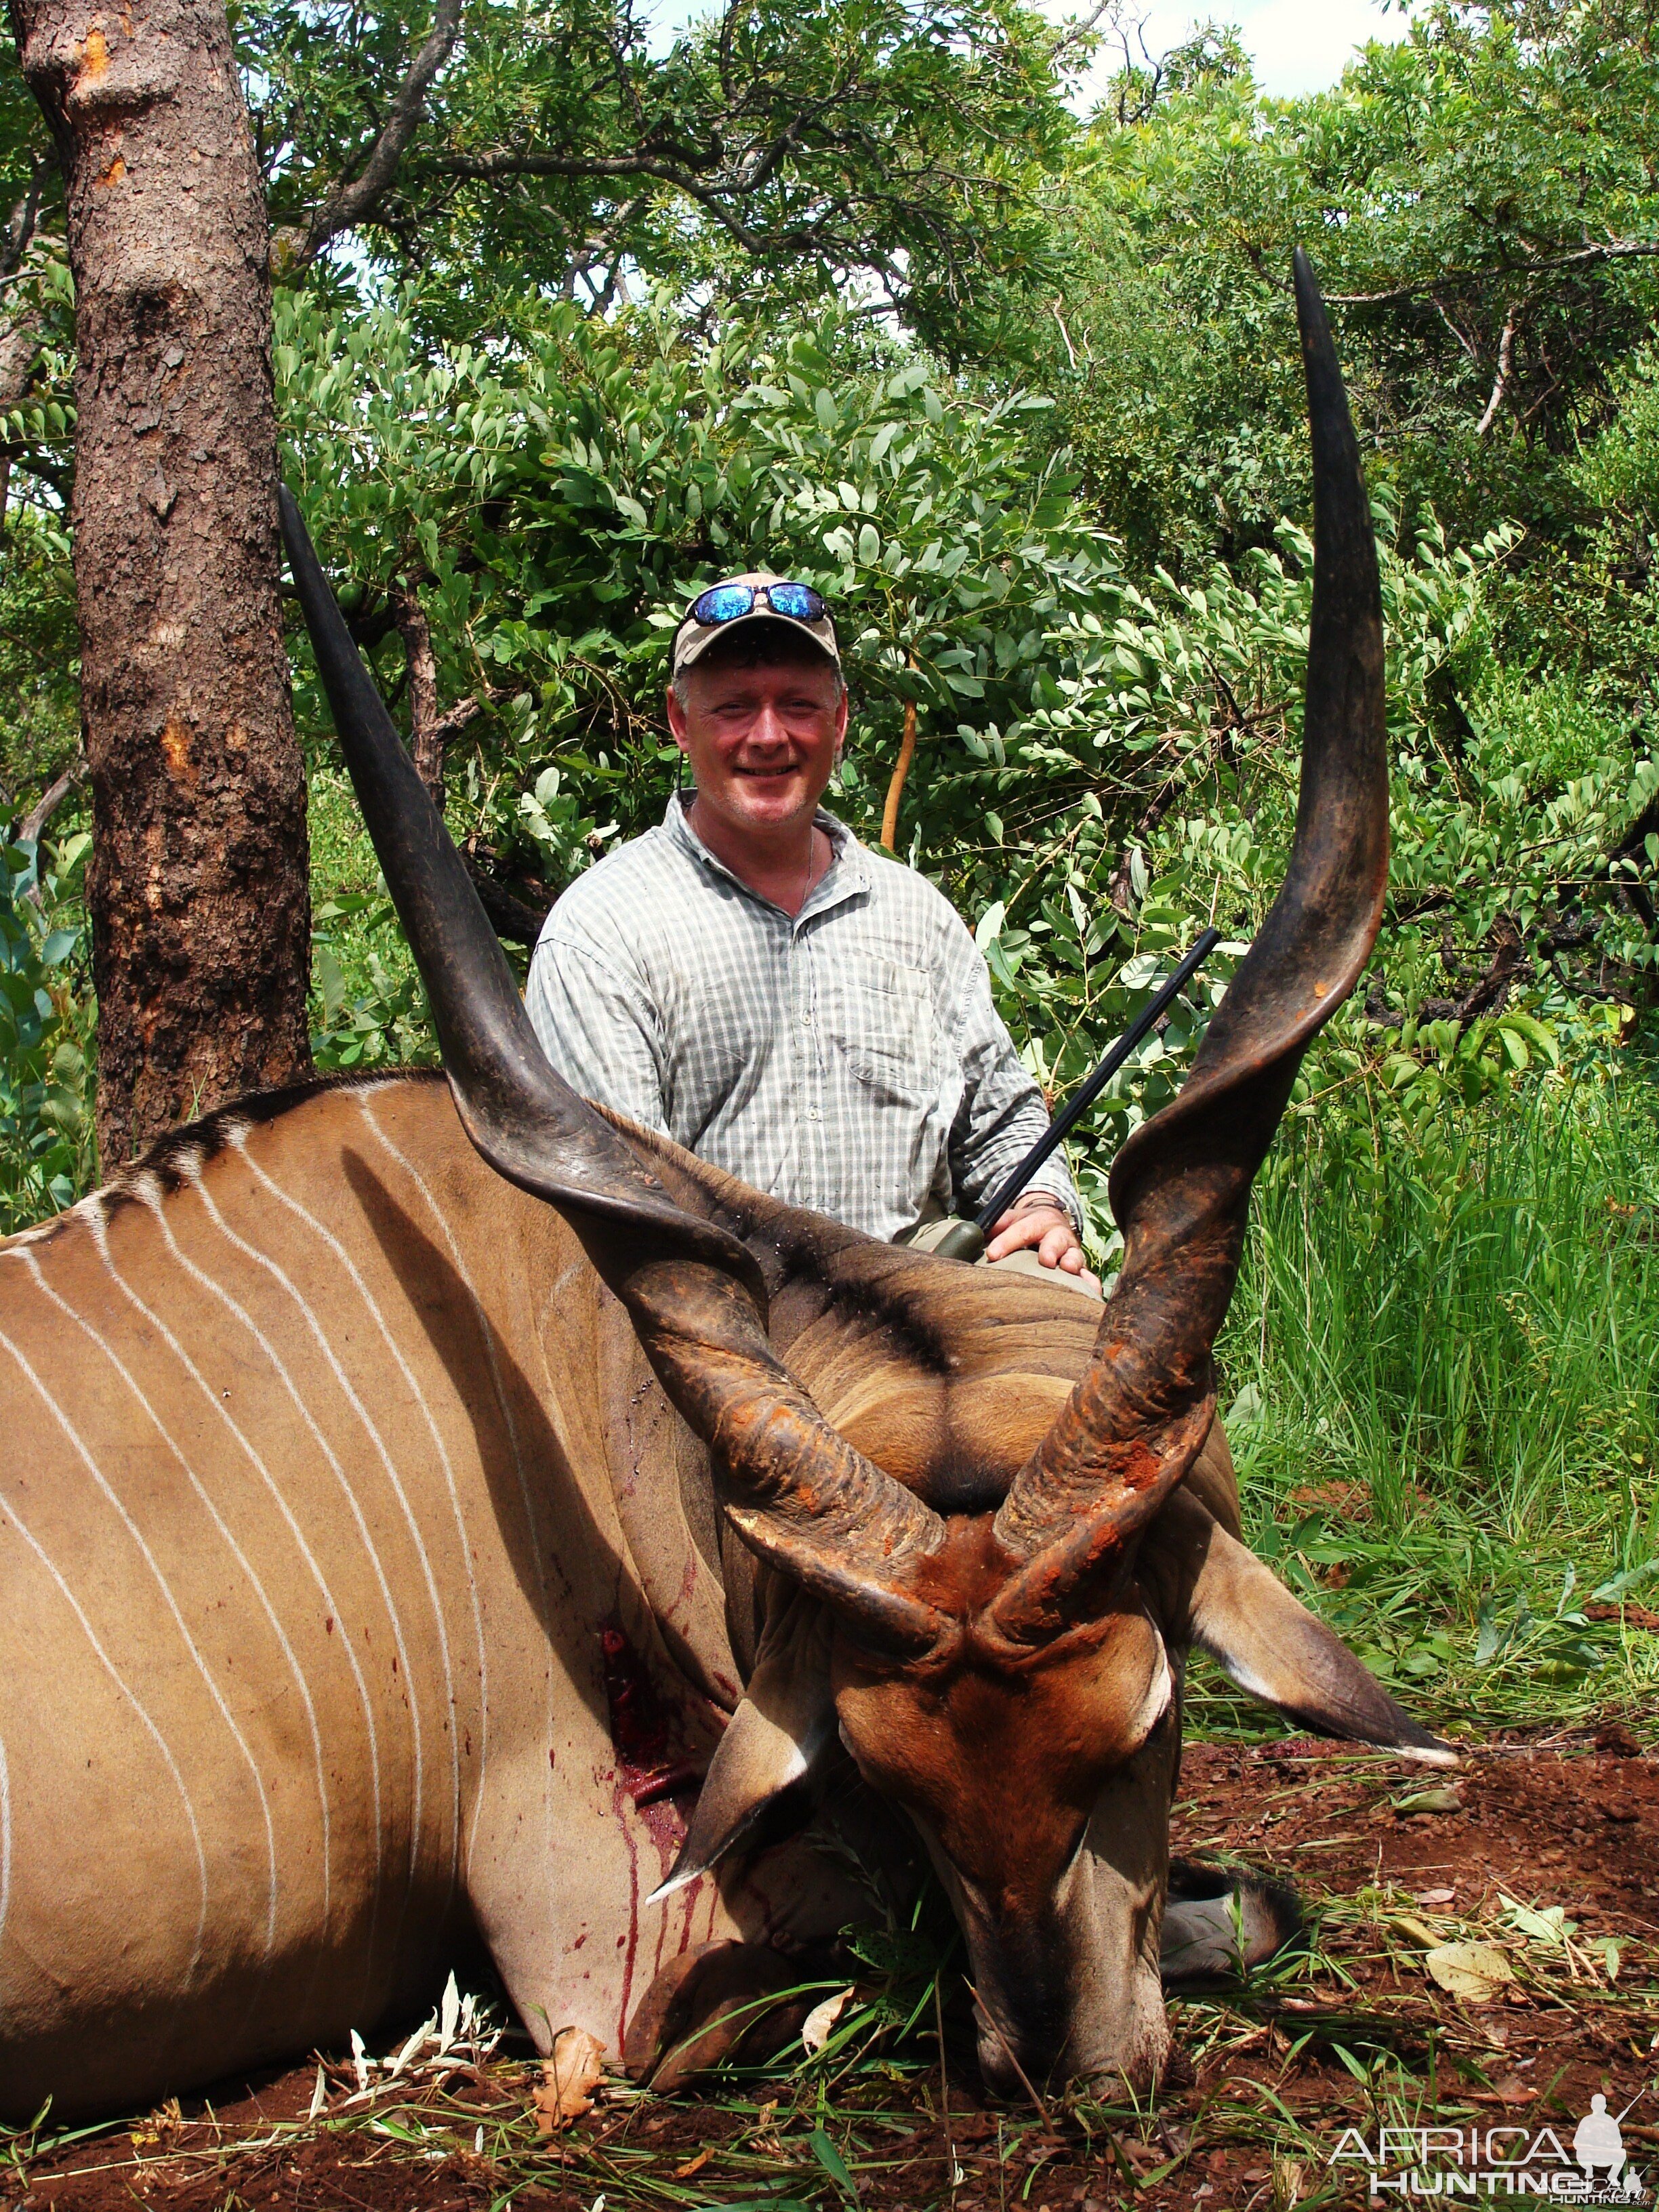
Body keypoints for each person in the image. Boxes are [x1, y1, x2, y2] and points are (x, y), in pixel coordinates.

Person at [525, 571, 1094, 1288]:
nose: (768, 737)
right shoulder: (602, 934)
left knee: (1068, 1297)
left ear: (841, 719)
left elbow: (1002, 1116)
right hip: (721, 1322)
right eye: (734, 708)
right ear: (679, 720)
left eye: (797, 705)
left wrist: (1041, 1204)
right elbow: (622, 1214)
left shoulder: (914, 916)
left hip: (921, 1308)